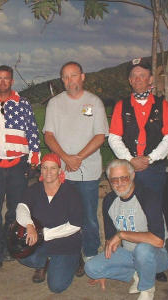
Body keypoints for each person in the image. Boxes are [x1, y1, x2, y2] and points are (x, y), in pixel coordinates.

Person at [108, 58, 168, 282]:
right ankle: (131, 257)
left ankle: (156, 262)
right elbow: (115, 138)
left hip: (153, 169)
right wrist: (130, 161)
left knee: (154, 213)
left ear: (150, 79)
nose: (138, 79)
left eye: (142, 75)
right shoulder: (121, 105)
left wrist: (150, 158)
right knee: (131, 212)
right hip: (130, 170)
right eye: (134, 76)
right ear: (130, 80)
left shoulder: (162, 105)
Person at [43, 61, 109, 275]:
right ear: (62, 80)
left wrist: (78, 158)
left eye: (74, 75)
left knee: (89, 216)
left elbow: (101, 135)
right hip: (61, 173)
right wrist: (66, 158)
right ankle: (69, 254)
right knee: (61, 216)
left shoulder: (94, 102)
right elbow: (49, 135)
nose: (70, 80)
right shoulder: (55, 103)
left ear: (83, 76)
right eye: (65, 77)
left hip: (88, 172)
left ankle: (90, 255)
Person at [0, 65, 41, 273]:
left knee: (15, 211)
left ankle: (8, 247)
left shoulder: (22, 104)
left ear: (12, 81)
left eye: (6, 78)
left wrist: (34, 159)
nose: (3, 82)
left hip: (18, 165)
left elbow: (32, 130)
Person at [85, 159, 168, 300]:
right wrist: (105, 269)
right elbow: (110, 240)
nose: (119, 184)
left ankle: (147, 288)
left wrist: (122, 235)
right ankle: (138, 273)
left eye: (124, 178)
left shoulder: (147, 196)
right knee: (91, 268)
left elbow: (158, 241)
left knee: (142, 250)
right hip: (129, 254)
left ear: (132, 176)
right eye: (114, 180)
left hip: (158, 255)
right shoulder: (109, 201)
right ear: (109, 180)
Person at [16, 153, 83, 293]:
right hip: (42, 243)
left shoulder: (71, 192)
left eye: (53, 168)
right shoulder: (34, 189)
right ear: (40, 170)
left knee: (56, 286)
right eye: (45, 168)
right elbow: (22, 207)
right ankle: (45, 262)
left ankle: (76, 260)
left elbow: (76, 224)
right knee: (20, 254)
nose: (48, 172)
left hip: (65, 244)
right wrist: (29, 225)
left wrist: (44, 233)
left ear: (59, 170)